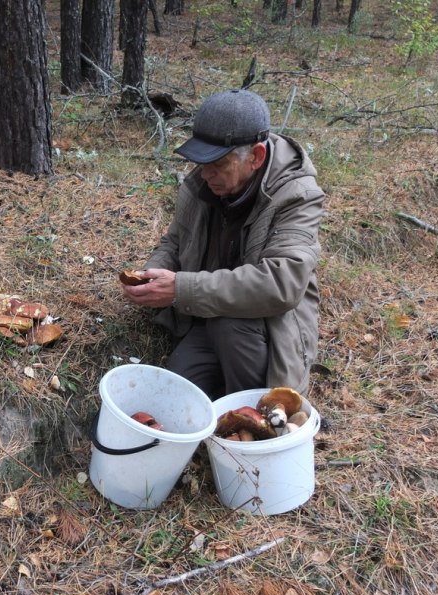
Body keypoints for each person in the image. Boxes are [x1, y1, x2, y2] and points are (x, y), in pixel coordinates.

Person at [121, 88, 324, 399]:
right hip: (207, 315)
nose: (205, 173)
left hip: (266, 328)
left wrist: (180, 289)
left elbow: (282, 284)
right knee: (176, 394)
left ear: (256, 156)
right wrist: (153, 273)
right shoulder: (203, 181)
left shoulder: (297, 195)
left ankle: (257, 418)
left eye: (218, 163)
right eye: (202, 160)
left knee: (229, 328)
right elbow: (176, 241)